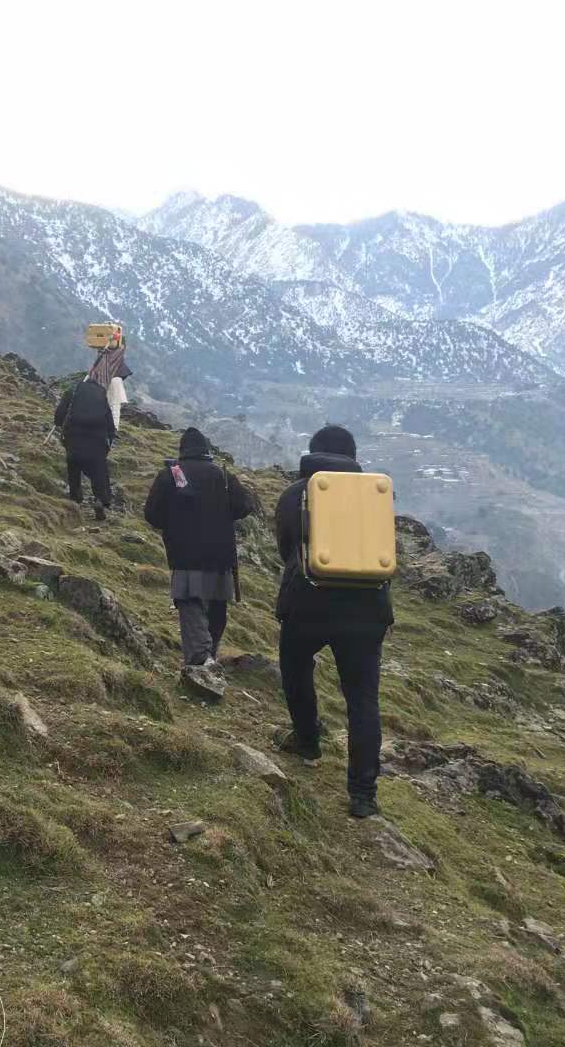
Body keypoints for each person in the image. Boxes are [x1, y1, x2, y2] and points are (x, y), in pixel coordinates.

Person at [272, 424, 394, 819]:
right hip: (366, 610)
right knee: (362, 699)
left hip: (307, 603)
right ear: (353, 457)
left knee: (296, 670)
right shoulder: (374, 496)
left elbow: (286, 548)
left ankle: (308, 741)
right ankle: (363, 794)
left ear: (313, 452)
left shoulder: (295, 493)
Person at [144, 428, 252, 667]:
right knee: (217, 609)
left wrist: (172, 523)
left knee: (191, 604)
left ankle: (201, 660)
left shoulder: (170, 474)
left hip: (185, 554)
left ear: (182, 450)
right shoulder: (223, 475)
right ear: (206, 450)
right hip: (221, 555)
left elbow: (151, 514)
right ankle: (209, 655)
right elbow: (244, 506)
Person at [53, 373, 117, 520]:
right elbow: (109, 423)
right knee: (98, 471)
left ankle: (75, 499)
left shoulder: (73, 390)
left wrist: (60, 425)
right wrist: (108, 442)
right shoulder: (101, 394)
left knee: (73, 467)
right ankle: (100, 500)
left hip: (74, 438)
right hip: (97, 441)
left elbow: (59, 415)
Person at [87, 342, 132, 431]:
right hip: (110, 380)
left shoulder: (111, 352)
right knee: (113, 406)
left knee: (112, 405)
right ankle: (112, 428)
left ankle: (112, 428)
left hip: (110, 379)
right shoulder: (106, 353)